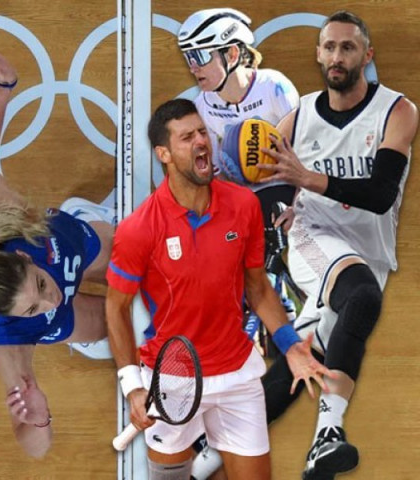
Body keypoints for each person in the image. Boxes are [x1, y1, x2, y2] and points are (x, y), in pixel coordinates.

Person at [105, 98, 332, 480]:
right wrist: (131, 387)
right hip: (171, 379)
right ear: (163, 153)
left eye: (202, 132)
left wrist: (291, 345)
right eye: (186, 137)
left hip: (237, 375)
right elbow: (115, 308)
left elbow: (257, 288)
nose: (200, 142)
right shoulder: (139, 228)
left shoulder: (243, 205)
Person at [255, 11, 418, 479]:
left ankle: (205, 452)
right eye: (329, 47)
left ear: (367, 56)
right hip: (312, 238)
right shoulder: (298, 116)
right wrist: (276, 210)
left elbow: (381, 193)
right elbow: (263, 185)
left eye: (348, 47)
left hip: (369, 251)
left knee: (303, 358)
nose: (336, 56)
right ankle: (328, 433)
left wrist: (308, 178)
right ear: (318, 54)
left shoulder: (397, 110)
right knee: (363, 296)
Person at [0, 33, 116, 458]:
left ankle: (95, 217)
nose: (47, 301)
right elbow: (35, 448)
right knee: (113, 324)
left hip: (78, 241)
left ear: (24, 258)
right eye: (31, 309)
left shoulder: (11, 225)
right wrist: (39, 416)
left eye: (41, 287)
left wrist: (5, 87)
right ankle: (91, 333)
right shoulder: (7, 335)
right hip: (71, 318)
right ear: (12, 318)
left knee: (123, 251)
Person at [175, 9, 303, 478]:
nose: (193, 65)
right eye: (187, 56)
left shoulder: (273, 88)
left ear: (232, 53)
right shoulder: (200, 103)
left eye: (200, 55)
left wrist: (300, 202)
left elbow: (302, 151)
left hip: (274, 193)